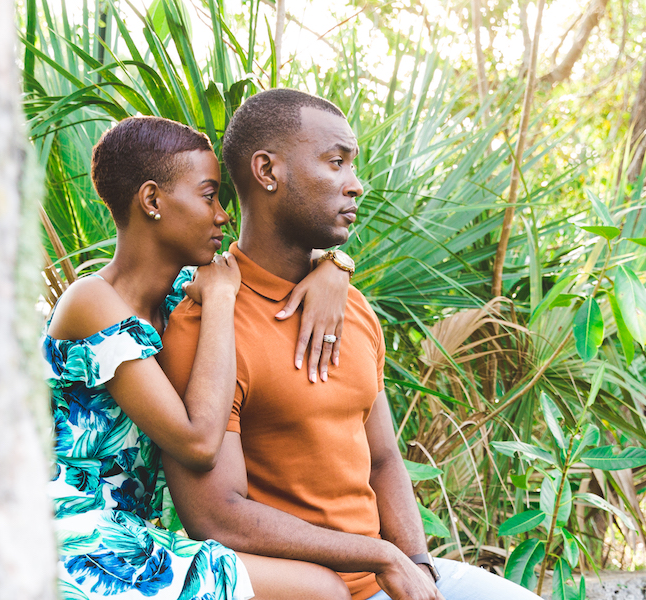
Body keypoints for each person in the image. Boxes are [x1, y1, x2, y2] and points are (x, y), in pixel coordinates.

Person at [158, 89, 543, 600]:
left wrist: (420, 569)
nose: (356, 185)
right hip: (310, 589)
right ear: (267, 171)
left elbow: (384, 459)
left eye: (352, 166)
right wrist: (381, 555)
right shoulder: (205, 324)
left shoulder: (353, 307)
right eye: (335, 162)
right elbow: (217, 517)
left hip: (391, 574)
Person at [43, 115, 355, 600]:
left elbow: (274, 258)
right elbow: (197, 442)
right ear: (152, 201)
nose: (223, 215)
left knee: (318, 584)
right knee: (320, 589)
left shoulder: (177, 302)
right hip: (67, 537)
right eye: (209, 196)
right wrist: (224, 300)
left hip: (128, 533)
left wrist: (336, 265)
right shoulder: (92, 301)